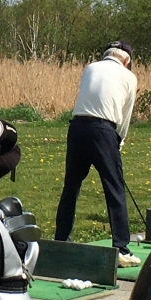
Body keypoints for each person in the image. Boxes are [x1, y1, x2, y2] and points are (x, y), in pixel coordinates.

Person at [55, 42, 140, 269]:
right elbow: (125, 114)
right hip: (103, 130)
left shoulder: (91, 67)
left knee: (71, 185)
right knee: (114, 187)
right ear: (126, 61)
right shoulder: (128, 76)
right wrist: (119, 141)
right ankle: (121, 247)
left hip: (77, 127)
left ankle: (61, 240)